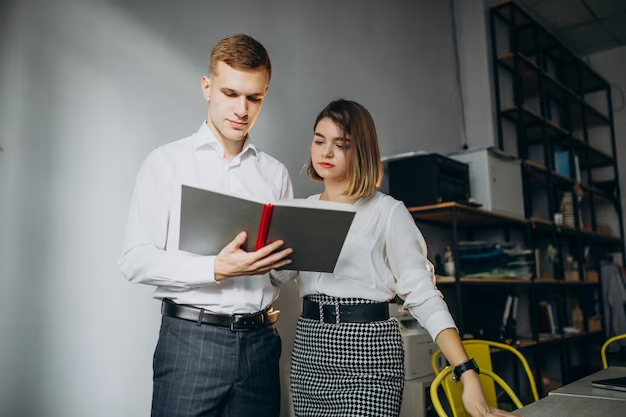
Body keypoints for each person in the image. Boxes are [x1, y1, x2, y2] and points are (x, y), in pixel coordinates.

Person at [290, 99, 517, 417]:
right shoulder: (302, 211)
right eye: (319, 140)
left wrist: (467, 373)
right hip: (310, 351)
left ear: (361, 151)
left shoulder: (387, 211)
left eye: (341, 144)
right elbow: (280, 276)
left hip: (368, 352)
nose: (326, 152)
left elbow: (424, 295)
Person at [119, 34, 295, 417]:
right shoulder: (166, 163)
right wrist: (215, 267)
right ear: (206, 87)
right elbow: (135, 260)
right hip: (190, 345)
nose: (242, 109)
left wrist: (286, 262)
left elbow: (282, 275)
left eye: (254, 98)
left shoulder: (275, 174)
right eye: (230, 93)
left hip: (261, 346)